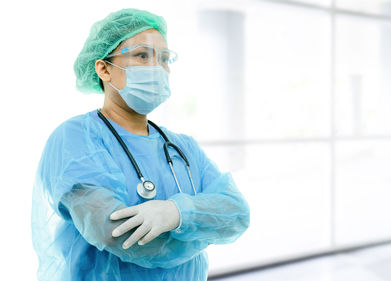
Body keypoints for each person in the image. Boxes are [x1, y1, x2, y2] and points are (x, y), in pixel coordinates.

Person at [31, 8, 250, 281]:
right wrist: (196, 224)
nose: (157, 68)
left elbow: (236, 213)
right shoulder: (75, 137)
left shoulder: (182, 147)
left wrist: (177, 213)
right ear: (104, 68)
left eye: (165, 58)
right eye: (142, 55)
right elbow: (116, 233)